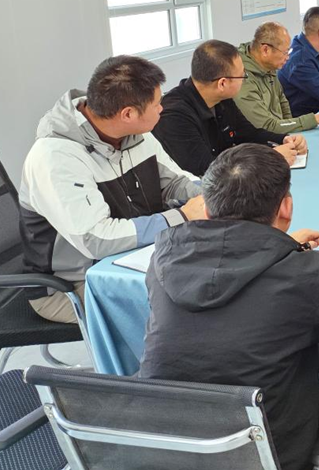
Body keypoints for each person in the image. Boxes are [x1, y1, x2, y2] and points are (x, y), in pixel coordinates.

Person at [139, 144, 319, 470]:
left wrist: (280, 247)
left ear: (207, 207)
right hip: (267, 469)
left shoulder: (162, 260)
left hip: (166, 455)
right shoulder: (306, 275)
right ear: (286, 207)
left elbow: (226, 269)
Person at [18, 56, 205, 324]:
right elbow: (97, 240)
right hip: (73, 285)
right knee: (184, 305)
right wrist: (182, 216)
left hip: (133, 259)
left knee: (211, 276)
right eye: (156, 104)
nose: (162, 108)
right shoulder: (55, 157)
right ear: (128, 114)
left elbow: (173, 182)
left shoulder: (134, 134)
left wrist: (216, 195)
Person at [154, 40, 306, 177]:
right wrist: (270, 157)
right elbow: (206, 168)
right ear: (222, 83)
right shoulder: (174, 116)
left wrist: (284, 139)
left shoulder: (221, 98)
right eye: (242, 76)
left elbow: (248, 133)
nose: (244, 80)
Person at [236, 22, 319, 134]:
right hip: (261, 140)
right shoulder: (242, 79)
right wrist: (315, 119)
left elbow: (283, 101)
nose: (288, 57)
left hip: (279, 134)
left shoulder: (268, 65)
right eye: (285, 52)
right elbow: (267, 126)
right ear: (265, 50)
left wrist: (291, 133)